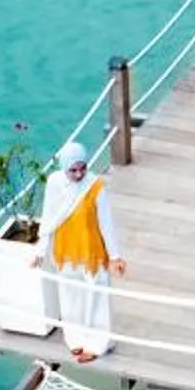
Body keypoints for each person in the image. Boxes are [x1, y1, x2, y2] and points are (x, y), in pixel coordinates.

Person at [39, 140, 125, 360]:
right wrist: (40, 251)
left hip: (91, 252)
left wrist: (115, 256)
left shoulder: (95, 186)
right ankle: (75, 339)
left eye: (82, 168)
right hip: (66, 249)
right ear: (64, 168)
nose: (78, 174)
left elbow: (106, 223)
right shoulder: (54, 183)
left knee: (96, 296)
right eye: (73, 170)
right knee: (70, 296)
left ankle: (97, 344)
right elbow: (48, 218)